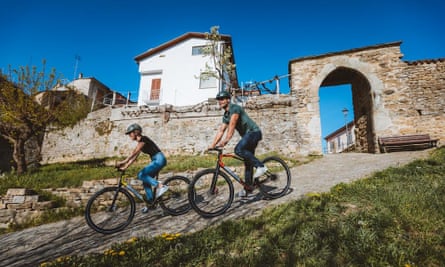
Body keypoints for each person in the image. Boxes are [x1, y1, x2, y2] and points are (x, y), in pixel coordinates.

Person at [209, 90, 267, 197]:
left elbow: (232, 124)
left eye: (222, 99)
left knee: (238, 150)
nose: (220, 101)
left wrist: (226, 140)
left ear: (227, 99)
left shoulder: (234, 108)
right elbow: (221, 130)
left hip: (254, 133)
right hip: (247, 136)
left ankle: (261, 166)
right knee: (248, 163)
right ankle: (248, 188)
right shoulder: (226, 115)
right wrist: (212, 145)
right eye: (219, 100)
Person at [116, 123, 169, 213]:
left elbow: (134, 152)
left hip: (159, 159)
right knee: (145, 182)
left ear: (136, 132)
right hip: (155, 160)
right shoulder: (140, 143)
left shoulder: (144, 139)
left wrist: (123, 161)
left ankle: (161, 186)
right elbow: (135, 157)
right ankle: (150, 203)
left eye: (130, 133)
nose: (129, 135)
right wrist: (126, 167)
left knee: (141, 174)